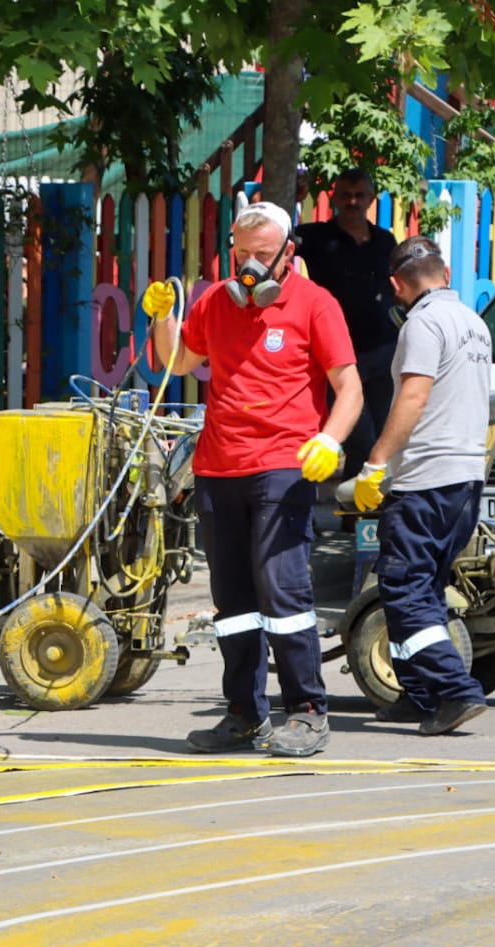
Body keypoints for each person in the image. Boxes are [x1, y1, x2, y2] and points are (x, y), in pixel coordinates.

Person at [143, 201, 362, 757]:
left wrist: (329, 440)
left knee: (281, 588)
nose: (250, 268)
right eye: (242, 255)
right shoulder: (216, 301)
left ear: (288, 253)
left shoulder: (316, 304)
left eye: (262, 256)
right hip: (218, 466)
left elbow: (351, 389)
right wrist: (163, 317)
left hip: (284, 466)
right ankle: (243, 713)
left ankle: (308, 710)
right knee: (233, 600)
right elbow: (177, 362)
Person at [352, 236, 491, 736]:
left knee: (405, 589)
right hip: (464, 481)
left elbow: (413, 396)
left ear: (396, 286)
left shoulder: (423, 325)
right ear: (446, 273)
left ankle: (454, 691)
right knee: (424, 588)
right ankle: (420, 691)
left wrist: (375, 462)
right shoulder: (474, 325)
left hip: (425, 482)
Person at [294, 169, 400, 475]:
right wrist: (291, 200)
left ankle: (358, 514)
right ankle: (357, 506)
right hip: (335, 355)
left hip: (382, 352)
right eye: (345, 195)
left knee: (379, 435)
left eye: (359, 195)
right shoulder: (314, 237)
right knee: (360, 437)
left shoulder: (384, 240)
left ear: (371, 199)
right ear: (334, 197)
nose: (352, 201)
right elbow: (275, 246)